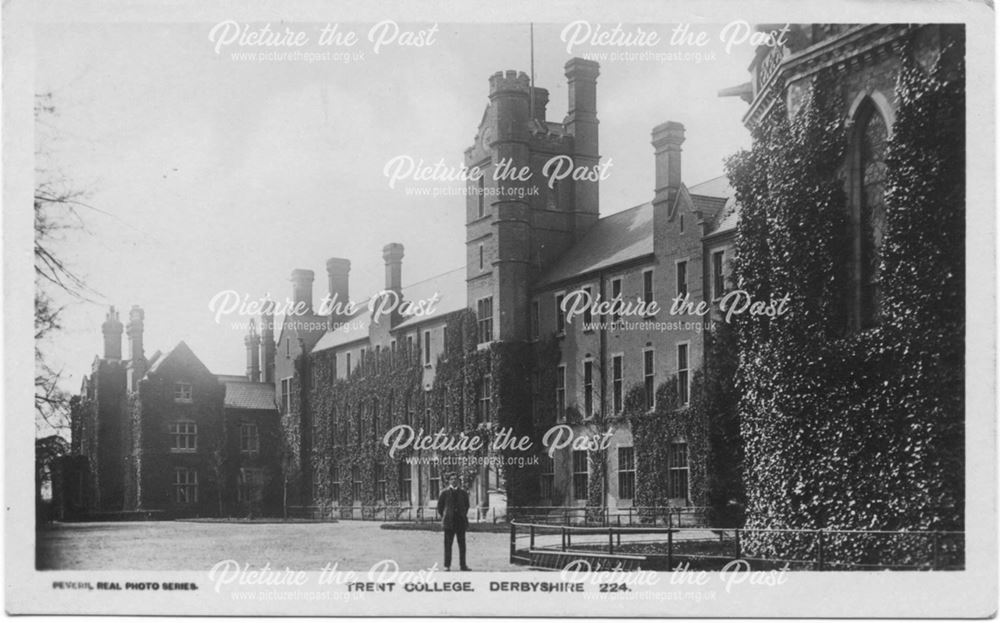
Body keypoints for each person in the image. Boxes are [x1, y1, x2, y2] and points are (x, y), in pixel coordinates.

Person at [436, 472, 470, 571]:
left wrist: (462, 515)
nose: (454, 480)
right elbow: (440, 507)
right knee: (448, 545)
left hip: (460, 522)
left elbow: (466, 506)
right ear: (449, 481)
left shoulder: (463, 493)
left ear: (458, 481)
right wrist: (446, 516)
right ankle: (447, 566)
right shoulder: (444, 493)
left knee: (462, 545)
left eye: (455, 479)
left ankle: (463, 565)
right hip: (449, 523)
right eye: (452, 479)